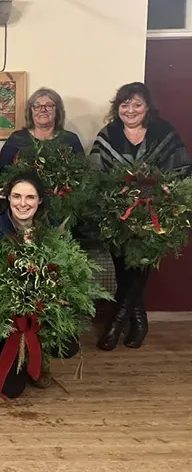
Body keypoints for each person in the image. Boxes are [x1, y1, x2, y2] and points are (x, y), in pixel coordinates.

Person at [90, 82, 191, 351]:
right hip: (118, 216)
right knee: (124, 271)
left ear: (147, 106)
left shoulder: (164, 133)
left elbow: (182, 170)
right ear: (117, 108)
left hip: (153, 217)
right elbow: (95, 175)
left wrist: (161, 189)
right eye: (125, 104)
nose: (130, 110)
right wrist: (117, 192)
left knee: (139, 268)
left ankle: (115, 324)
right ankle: (139, 320)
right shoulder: (108, 135)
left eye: (137, 104)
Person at [0, 172, 79, 399]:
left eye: (30, 197)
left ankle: (40, 357)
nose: (22, 203)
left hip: (42, 309)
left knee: (69, 342)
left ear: (40, 200)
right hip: (6, 313)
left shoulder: (53, 228)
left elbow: (69, 269)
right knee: (11, 389)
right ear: (8, 198)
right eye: (16, 196)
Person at [0, 87, 84, 169]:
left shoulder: (70, 139)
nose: (43, 110)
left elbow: (83, 174)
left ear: (57, 111)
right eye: (37, 106)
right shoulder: (16, 139)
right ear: (30, 111)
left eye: (49, 106)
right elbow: (3, 173)